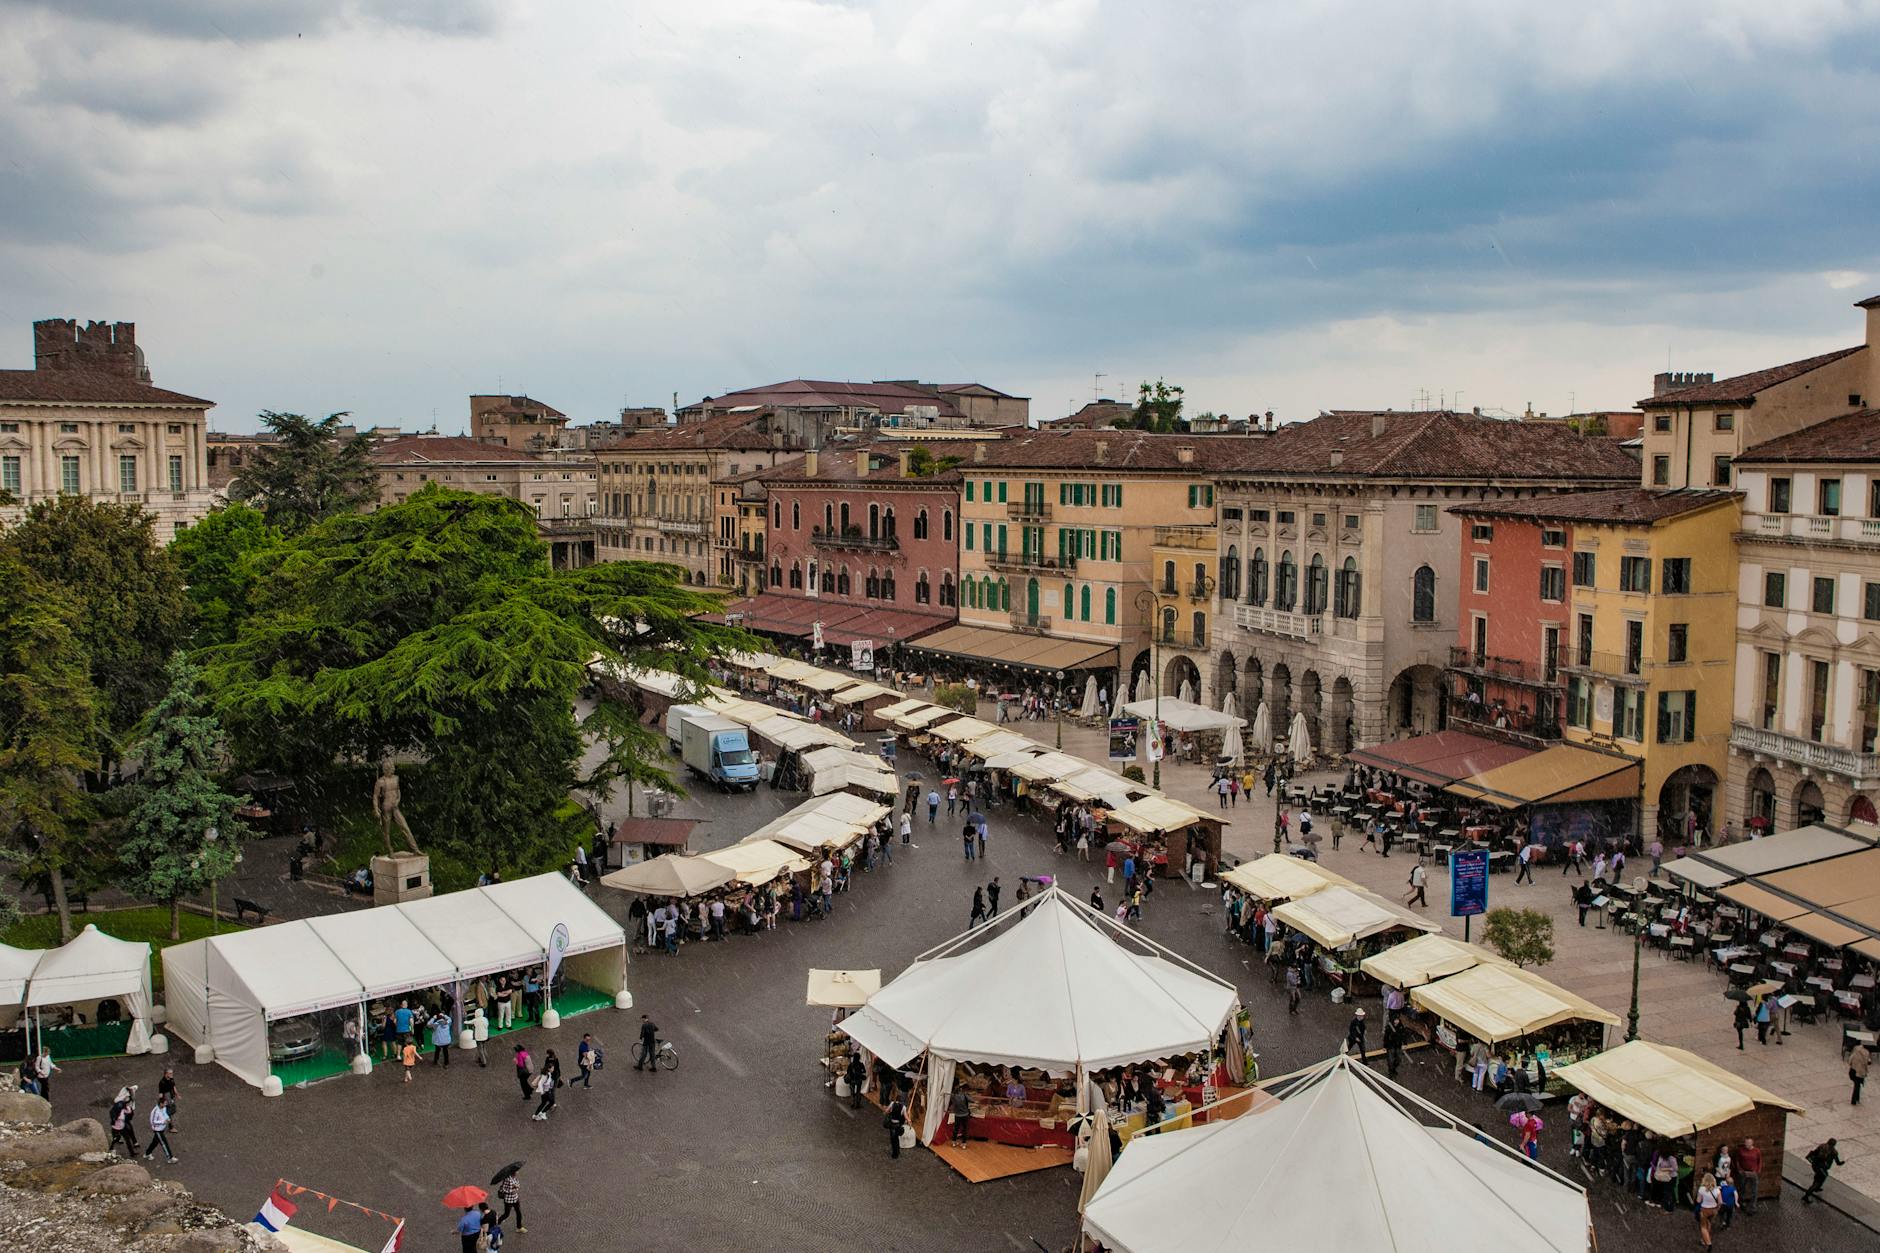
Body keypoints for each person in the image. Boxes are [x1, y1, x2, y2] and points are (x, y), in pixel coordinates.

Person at [144, 1094, 178, 1163]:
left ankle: (147, 1153)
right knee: (164, 1143)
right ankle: (170, 1158)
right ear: (160, 1103)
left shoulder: (163, 1108)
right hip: (157, 1130)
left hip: (162, 1129)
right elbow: (153, 1122)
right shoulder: (155, 1111)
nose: (165, 1105)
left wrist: (167, 1118)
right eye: (164, 1103)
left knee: (155, 1142)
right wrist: (163, 1121)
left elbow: (165, 1114)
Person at [109, 1086, 140, 1158]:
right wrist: (115, 1118)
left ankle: (132, 1152)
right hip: (116, 1127)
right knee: (116, 1139)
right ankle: (111, 1149)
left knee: (127, 1138)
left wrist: (130, 1111)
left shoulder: (125, 1107)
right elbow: (113, 1112)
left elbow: (128, 1111)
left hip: (122, 1126)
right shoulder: (119, 1105)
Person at [1735, 1138, 1762, 1215]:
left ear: (1752, 1143)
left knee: (1754, 1190)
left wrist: (1757, 1171)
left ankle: (1753, 1206)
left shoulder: (1757, 1151)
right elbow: (1737, 1160)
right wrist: (1739, 1170)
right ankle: (1742, 1202)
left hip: (1753, 1173)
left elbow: (1760, 1161)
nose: (1746, 1144)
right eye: (1745, 1142)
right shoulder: (1741, 1150)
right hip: (1744, 1172)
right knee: (1743, 1187)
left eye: (1748, 1143)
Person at [1695, 1172, 1721, 1247]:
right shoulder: (1717, 1190)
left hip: (1704, 1210)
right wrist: (1717, 1208)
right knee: (1709, 1223)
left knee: (1703, 1226)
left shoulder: (1702, 1189)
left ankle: (1707, 1242)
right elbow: (1720, 1202)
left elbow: (1698, 1201)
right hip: (1713, 1210)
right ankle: (1706, 1238)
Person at [497, 1168, 526, 1233]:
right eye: (516, 1171)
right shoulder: (507, 1179)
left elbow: (518, 1185)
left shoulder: (515, 1178)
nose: (518, 1172)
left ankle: (519, 1227)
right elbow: (502, 1189)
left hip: (515, 1198)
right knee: (506, 1214)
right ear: (513, 1172)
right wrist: (511, 1191)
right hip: (508, 1200)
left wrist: (515, 1187)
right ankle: (497, 1222)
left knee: (519, 1213)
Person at [885, 1094, 908, 1159]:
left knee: (893, 1140)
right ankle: (897, 1151)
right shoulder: (903, 1107)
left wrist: (888, 1112)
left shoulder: (892, 1103)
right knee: (896, 1139)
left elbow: (887, 1111)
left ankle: (895, 1154)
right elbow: (906, 1117)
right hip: (898, 1125)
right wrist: (909, 1121)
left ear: (896, 1099)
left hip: (892, 1124)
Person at [1851, 1040, 1872, 1106]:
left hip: (1853, 1069)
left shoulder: (1855, 1049)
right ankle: (1855, 1100)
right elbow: (1868, 1062)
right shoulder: (1866, 1053)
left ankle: (1856, 1099)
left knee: (1857, 1085)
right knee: (1857, 1085)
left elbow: (1851, 1059)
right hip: (1860, 1072)